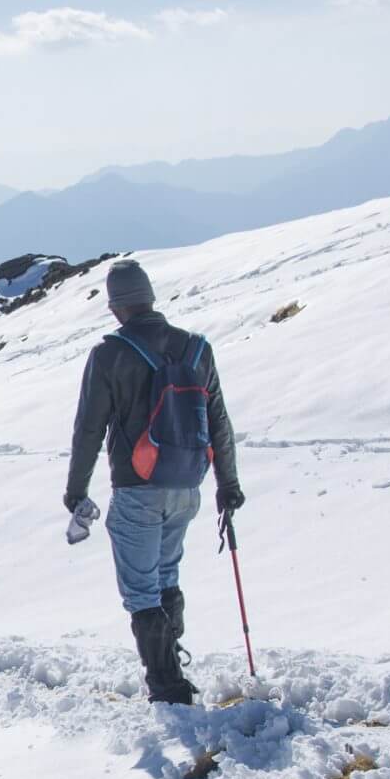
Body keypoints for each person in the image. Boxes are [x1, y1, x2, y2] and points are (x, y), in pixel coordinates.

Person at [65, 259, 244, 704]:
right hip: (187, 488)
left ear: (115, 307)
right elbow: (219, 423)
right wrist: (228, 485)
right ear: (150, 297)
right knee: (166, 576)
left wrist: (75, 491)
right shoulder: (197, 349)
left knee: (142, 590)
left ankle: (167, 686)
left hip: (137, 490)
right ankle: (172, 662)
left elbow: (89, 428)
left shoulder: (109, 355)